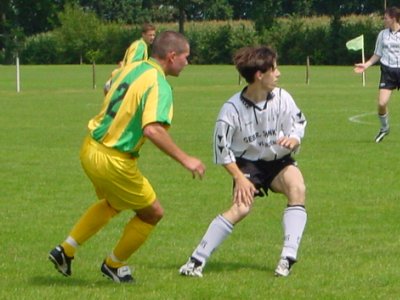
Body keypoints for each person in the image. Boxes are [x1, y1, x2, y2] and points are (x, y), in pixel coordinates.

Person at [49, 31, 206, 284]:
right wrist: (186, 159)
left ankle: (65, 250)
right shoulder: (159, 84)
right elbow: (152, 129)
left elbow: (107, 87)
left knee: (114, 203)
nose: (188, 63)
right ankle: (114, 264)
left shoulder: (131, 68)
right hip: (115, 159)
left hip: (90, 147)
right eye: (186, 57)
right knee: (152, 213)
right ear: (172, 56)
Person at [179, 45, 307, 278]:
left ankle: (287, 258)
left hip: (278, 161)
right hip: (247, 164)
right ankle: (196, 261)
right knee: (241, 208)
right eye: (274, 69)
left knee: (297, 187)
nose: (278, 74)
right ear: (259, 75)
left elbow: (299, 122)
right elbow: (221, 150)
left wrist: (294, 138)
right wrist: (239, 178)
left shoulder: (282, 97)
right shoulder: (231, 110)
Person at [354, 6, 400, 143]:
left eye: (385, 18)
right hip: (387, 71)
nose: (384, 20)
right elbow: (378, 54)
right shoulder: (382, 34)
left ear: (393, 19)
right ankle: (384, 128)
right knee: (381, 103)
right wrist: (366, 65)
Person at [103, 23, 156, 95]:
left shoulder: (140, 45)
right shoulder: (140, 46)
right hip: (121, 83)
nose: (152, 37)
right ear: (143, 34)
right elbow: (132, 66)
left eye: (153, 35)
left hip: (118, 80)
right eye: (150, 35)